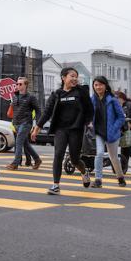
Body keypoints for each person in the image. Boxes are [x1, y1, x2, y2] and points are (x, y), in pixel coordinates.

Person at [31, 67, 94, 195]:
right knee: (58, 154)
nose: (75, 78)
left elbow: (89, 109)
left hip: (76, 129)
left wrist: (89, 122)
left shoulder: (81, 91)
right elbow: (47, 112)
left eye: (76, 76)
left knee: (75, 159)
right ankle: (56, 185)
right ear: (63, 78)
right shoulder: (57, 94)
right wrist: (37, 128)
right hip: (61, 129)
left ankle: (84, 172)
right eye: (72, 76)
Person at [89, 76, 126, 189]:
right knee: (99, 153)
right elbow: (89, 114)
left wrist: (114, 128)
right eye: (96, 85)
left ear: (105, 86)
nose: (98, 87)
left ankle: (120, 177)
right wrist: (89, 122)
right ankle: (98, 180)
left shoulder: (113, 99)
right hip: (99, 132)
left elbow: (121, 117)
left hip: (112, 133)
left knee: (113, 157)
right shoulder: (92, 99)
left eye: (100, 84)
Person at [5, 77, 41, 171]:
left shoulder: (31, 97)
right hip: (16, 123)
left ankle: (15, 163)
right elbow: (13, 111)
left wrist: (37, 125)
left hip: (26, 123)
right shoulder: (14, 96)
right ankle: (37, 159)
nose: (18, 85)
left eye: (20, 84)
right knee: (25, 144)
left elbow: (38, 110)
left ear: (25, 85)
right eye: (17, 84)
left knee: (19, 142)